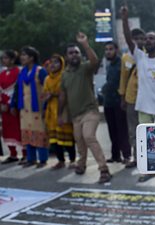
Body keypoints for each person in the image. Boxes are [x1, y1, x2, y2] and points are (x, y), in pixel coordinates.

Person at [122, 5, 155, 182]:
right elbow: (129, 39)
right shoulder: (140, 57)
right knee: (145, 141)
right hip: (143, 107)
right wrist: (124, 19)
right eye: (146, 39)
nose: (148, 41)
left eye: (151, 39)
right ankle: (149, 170)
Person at [58, 32, 111, 184]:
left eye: (77, 52)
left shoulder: (85, 68)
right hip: (76, 115)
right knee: (79, 141)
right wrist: (59, 114)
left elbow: (95, 61)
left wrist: (85, 44)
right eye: (71, 53)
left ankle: (104, 169)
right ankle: (81, 164)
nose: (74, 55)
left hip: (90, 111)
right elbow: (62, 95)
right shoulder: (65, 75)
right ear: (66, 57)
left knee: (88, 137)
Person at [10, 46, 48, 168]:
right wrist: (13, 105)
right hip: (24, 109)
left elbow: (47, 89)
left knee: (40, 133)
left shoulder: (40, 71)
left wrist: (46, 107)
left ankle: (42, 160)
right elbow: (17, 90)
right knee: (27, 133)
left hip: (38, 109)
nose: (21, 57)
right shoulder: (22, 72)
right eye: (21, 55)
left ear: (32, 58)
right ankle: (31, 159)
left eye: (24, 55)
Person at [118, 28, 146, 168]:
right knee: (133, 130)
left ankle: (147, 158)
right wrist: (122, 97)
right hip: (131, 98)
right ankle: (136, 158)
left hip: (146, 98)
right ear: (132, 40)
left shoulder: (147, 55)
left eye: (143, 38)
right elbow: (123, 78)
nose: (140, 41)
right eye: (137, 39)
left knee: (145, 129)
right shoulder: (125, 58)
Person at [43, 54, 76, 169]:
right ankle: (60, 160)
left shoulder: (64, 76)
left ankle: (72, 160)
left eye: (56, 62)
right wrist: (47, 96)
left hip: (63, 108)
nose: (53, 65)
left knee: (67, 137)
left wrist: (53, 94)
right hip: (51, 110)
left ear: (61, 64)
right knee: (55, 139)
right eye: (51, 62)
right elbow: (45, 93)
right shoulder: (47, 79)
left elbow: (66, 92)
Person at [102, 41, 131, 164]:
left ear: (116, 50)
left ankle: (126, 155)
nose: (108, 51)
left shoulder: (122, 64)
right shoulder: (109, 65)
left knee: (122, 130)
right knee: (112, 130)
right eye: (107, 49)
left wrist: (123, 99)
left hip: (119, 102)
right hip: (108, 102)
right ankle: (115, 155)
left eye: (111, 49)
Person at [0, 50, 26, 164]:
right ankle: (13, 154)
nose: (3, 60)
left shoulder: (19, 71)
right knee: (7, 129)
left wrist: (12, 104)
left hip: (15, 105)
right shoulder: (2, 73)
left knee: (19, 128)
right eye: (3, 58)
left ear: (12, 59)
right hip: (3, 105)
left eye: (6, 58)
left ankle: (25, 154)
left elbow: (19, 89)